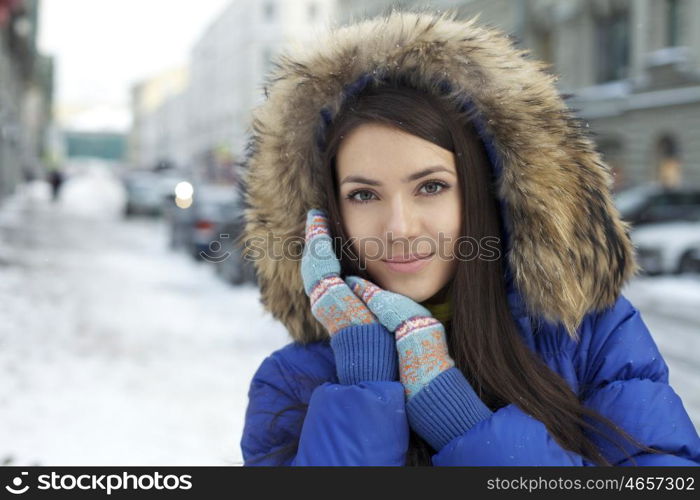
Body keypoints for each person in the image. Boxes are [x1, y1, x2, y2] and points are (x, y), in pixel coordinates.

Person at [238, 9, 700, 466]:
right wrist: (364, 386)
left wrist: (458, 421)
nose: (399, 228)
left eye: (431, 186)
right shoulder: (291, 383)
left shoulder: (590, 335)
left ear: (484, 192)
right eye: (363, 195)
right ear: (326, 217)